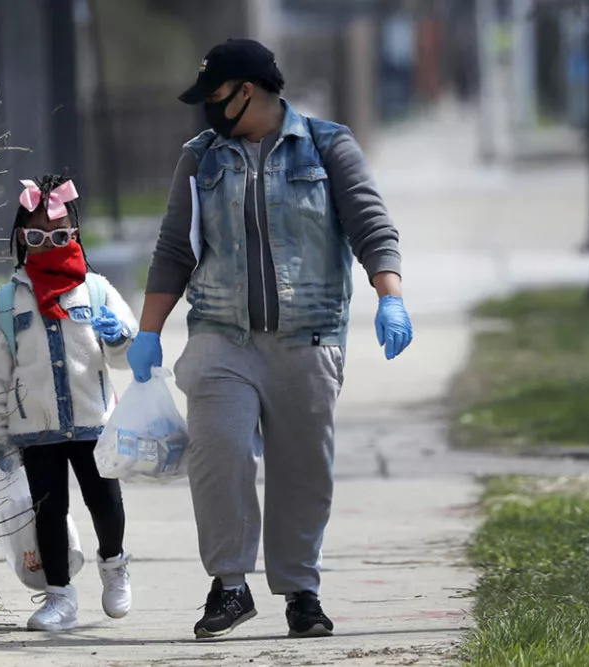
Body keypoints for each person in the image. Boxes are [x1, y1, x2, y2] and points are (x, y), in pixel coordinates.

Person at [126, 39, 414, 640]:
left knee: (303, 470)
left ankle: (300, 592)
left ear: (247, 91)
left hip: (307, 338)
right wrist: (149, 332)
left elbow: (370, 223)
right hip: (220, 336)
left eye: (214, 96)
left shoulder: (327, 146)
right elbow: (175, 248)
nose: (207, 108)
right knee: (219, 454)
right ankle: (230, 586)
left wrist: (391, 297)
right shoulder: (201, 159)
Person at [0, 174, 138, 632]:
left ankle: (114, 565)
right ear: (22, 238)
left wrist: (119, 336)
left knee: (105, 502)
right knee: (48, 511)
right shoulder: (3, 304)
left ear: (75, 235)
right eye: (38, 236)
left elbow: (127, 354)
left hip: (92, 423)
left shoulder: (97, 291)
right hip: (35, 428)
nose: (49, 246)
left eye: (60, 236)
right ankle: (59, 596)